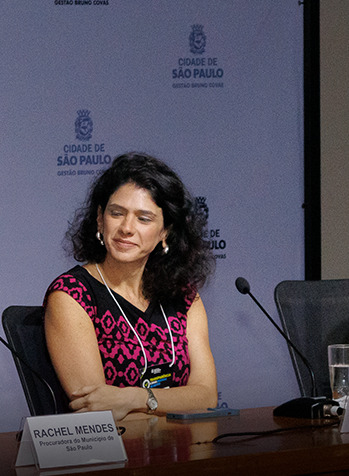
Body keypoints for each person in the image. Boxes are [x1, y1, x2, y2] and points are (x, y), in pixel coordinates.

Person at [44, 153, 218, 419]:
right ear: (100, 219)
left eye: (144, 218)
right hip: (114, 456)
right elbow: (96, 412)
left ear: (165, 232)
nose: (126, 228)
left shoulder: (183, 297)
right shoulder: (72, 295)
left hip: (184, 452)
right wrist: (176, 405)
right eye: (117, 213)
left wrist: (135, 397)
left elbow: (206, 397)